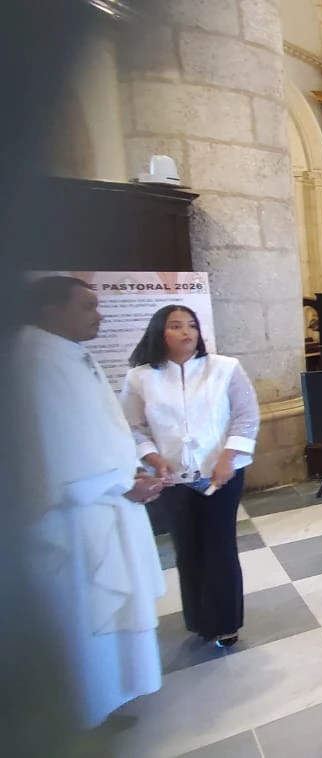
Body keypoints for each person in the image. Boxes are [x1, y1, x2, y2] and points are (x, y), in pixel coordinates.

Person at [20, 276, 166, 727]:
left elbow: (101, 429)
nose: (98, 315)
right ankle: (78, 712)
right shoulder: (33, 359)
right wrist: (124, 482)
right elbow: (52, 447)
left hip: (107, 501)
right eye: (86, 307)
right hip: (76, 513)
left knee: (102, 612)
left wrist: (131, 469)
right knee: (82, 612)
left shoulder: (69, 352)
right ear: (49, 310)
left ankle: (100, 701)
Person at [122, 305, 259, 648]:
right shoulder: (140, 377)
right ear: (159, 333)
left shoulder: (224, 368)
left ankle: (226, 622)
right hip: (172, 478)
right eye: (176, 326)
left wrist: (229, 457)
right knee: (187, 547)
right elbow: (134, 427)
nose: (187, 332)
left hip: (221, 473)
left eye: (192, 325)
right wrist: (154, 459)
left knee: (220, 545)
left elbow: (245, 416)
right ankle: (199, 619)